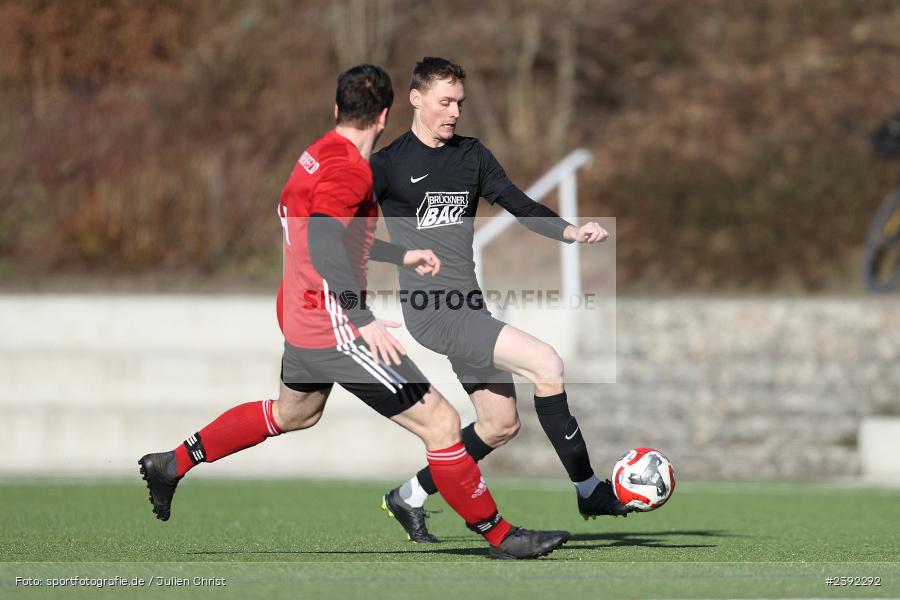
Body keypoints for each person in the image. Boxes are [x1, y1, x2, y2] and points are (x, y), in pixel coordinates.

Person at [138, 63, 569, 560]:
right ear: (386, 115)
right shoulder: (349, 171)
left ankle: (171, 463)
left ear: (336, 109)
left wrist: (398, 255)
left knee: (292, 413)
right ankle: (500, 536)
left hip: (298, 313)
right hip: (334, 325)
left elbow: (324, 234)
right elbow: (326, 244)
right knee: (443, 425)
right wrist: (359, 318)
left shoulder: (316, 155)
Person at [371, 57, 630, 543]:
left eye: (460, 104)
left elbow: (520, 204)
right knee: (547, 364)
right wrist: (396, 256)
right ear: (416, 98)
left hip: (469, 307)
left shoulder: (472, 155)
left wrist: (571, 231)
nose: (453, 112)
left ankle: (408, 495)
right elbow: (347, 232)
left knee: (498, 425)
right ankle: (589, 487)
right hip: (432, 312)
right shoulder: (386, 165)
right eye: (444, 102)